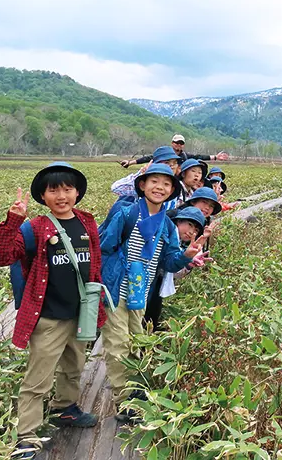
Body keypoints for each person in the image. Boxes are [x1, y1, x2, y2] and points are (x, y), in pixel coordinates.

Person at [0, 163, 105, 459]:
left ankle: (65, 408)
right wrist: (13, 221)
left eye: (67, 188)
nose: (62, 195)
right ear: (43, 195)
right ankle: (27, 435)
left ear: (78, 192)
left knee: (74, 367)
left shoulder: (87, 222)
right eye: (54, 189)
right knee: (38, 378)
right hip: (49, 317)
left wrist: (97, 306)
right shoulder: (35, 228)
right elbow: (1, 257)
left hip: (81, 313)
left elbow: (94, 266)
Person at [99, 163, 207, 423]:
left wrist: (185, 256)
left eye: (166, 184)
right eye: (154, 182)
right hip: (115, 291)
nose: (160, 187)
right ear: (142, 185)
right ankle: (124, 402)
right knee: (117, 346)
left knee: (137, 342)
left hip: (140, 293)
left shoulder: (167, 227)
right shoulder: (126, 215)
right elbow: (104, 247)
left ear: (172, 192)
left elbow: (168, 262)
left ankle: (135, 391)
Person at [119, 134, 228, 168]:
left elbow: (199, 156)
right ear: (172, 143)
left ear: (183, 145)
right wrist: (130, 163)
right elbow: (148, 158)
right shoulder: (164, 153)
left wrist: (215, 157)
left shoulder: (185, 156)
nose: (178, 145)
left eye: (181, 143)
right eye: (176, 143)